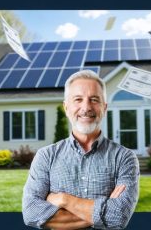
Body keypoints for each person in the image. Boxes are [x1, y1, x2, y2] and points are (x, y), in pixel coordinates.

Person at [22, 69, 139, 229]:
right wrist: (105, 213)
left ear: (104, 108)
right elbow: (31, 214)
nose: (86, 107)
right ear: (66, 107)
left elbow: (119, 217)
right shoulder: (46, 156)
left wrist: (64, 199)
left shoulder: (124, 157)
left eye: (94, 99)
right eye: (78, 99)